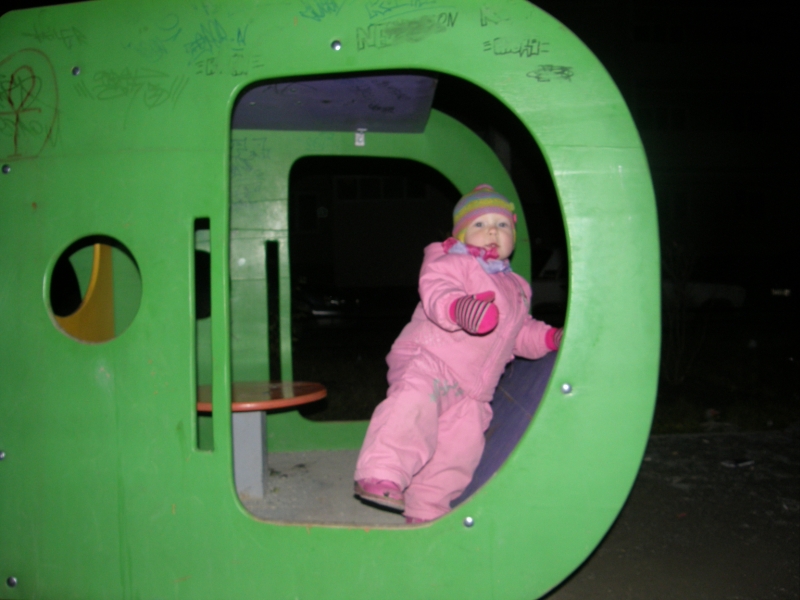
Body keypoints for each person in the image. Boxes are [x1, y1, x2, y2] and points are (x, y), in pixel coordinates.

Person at [353, 184, 563, 523]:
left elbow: (520, 332)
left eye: (502, 224)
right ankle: (382, 472)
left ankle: (426, 511)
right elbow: (438, 292)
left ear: (513, 236)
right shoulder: (451, 261)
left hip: (474, 391)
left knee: (457, 454)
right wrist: (462, 309)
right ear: (461, 234)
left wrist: (550, 337)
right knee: (412, 408)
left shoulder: (517, 287)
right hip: (431, 362)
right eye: (480, 224)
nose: (492, 231)